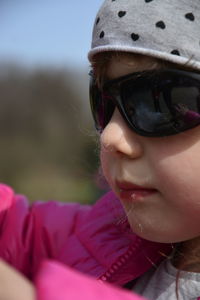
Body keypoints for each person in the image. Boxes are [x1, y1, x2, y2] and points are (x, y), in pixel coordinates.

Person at [1, 0, 200, 299]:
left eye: (156, 104)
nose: (109, 137)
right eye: (104, 102)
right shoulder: (107, 232)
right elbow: (17, 229)